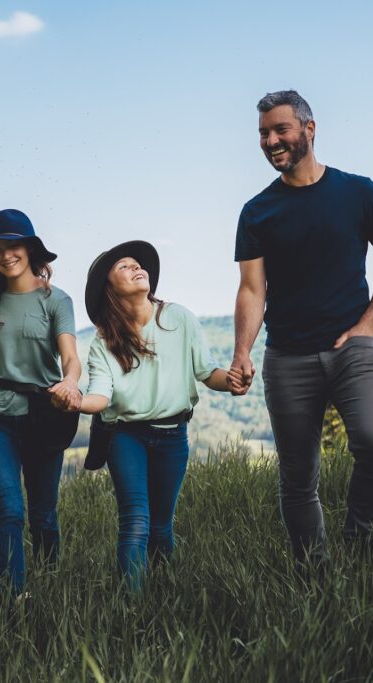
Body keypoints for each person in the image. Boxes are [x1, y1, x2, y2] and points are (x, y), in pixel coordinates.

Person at [230, 90, 373, 568]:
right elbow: (252, 289)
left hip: (354, 347)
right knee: (297, 474)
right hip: (288, 355)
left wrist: (367, 326)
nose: (271, 141)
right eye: (264, 134)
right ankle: (314, 571)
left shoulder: (358, 191)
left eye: (280, 130)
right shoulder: (257, 212)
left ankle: (362, 541)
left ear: (309, 129)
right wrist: (242, 352)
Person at [72, 241, 239, 592]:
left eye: (137, 264)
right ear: (110, 288)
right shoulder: (105, 342)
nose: (136, 268)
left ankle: (163, 592)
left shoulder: (178, 318)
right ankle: (131, 607)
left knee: (162, 526)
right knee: (135, 521)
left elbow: (208, 372)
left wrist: (234, 380)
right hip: (126, 436)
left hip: (172, 435)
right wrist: (75, 401)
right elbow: (100, 396)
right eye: (124, 267)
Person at [0, 209, 82, 598]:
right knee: (9, 509)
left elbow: (70, 356)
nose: (5, 255)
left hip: (44, 414)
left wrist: (70, 383)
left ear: (30, 250)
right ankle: (12, 595)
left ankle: (51, 583)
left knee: (43, 514)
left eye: (13, 246)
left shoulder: (56, 301)